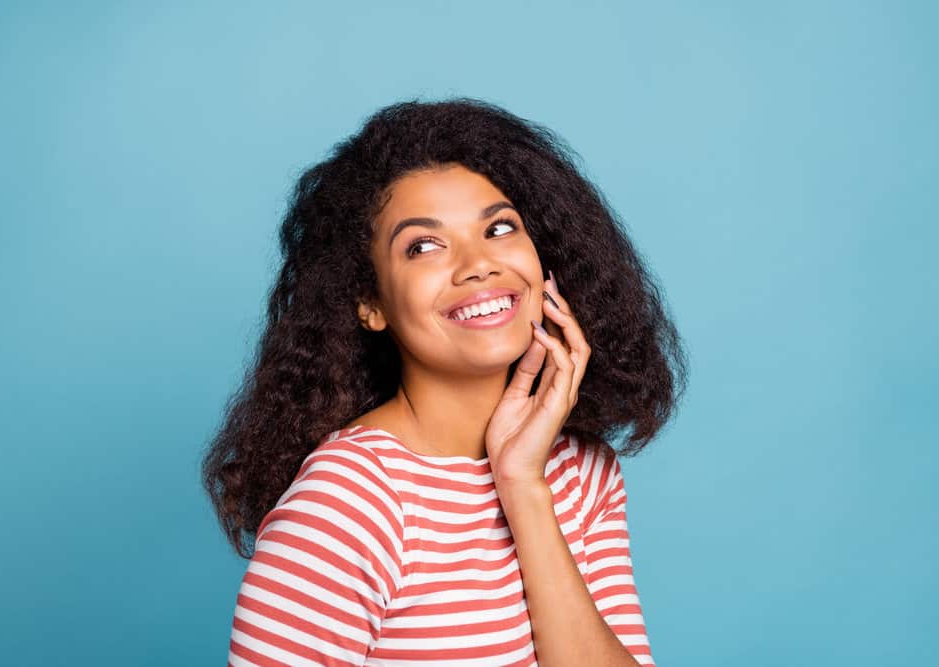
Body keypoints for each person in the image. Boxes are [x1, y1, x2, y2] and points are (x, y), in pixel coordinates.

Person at [202, 98, 688, 666]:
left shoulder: (583, 474)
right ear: (370, 303)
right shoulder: (349, 503)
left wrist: (523, 487)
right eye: (423, 246)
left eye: (499, 227)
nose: (477, 264)